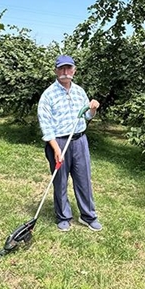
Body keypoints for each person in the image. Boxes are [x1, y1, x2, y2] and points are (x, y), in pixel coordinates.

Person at [37, 55, 102, 232]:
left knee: (83, 180)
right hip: (58, 142)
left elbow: (86, 116)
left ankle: (88, 216)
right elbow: (46, 124)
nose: (65, 72)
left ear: (74, 70)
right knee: (60, 181)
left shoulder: (80, 91)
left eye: (68, 68)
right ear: (56, 71)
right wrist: (56, 148)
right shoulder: (48, 95)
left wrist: (93, 109)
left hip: (80, 140)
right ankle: (63, 216)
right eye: (61, 69)